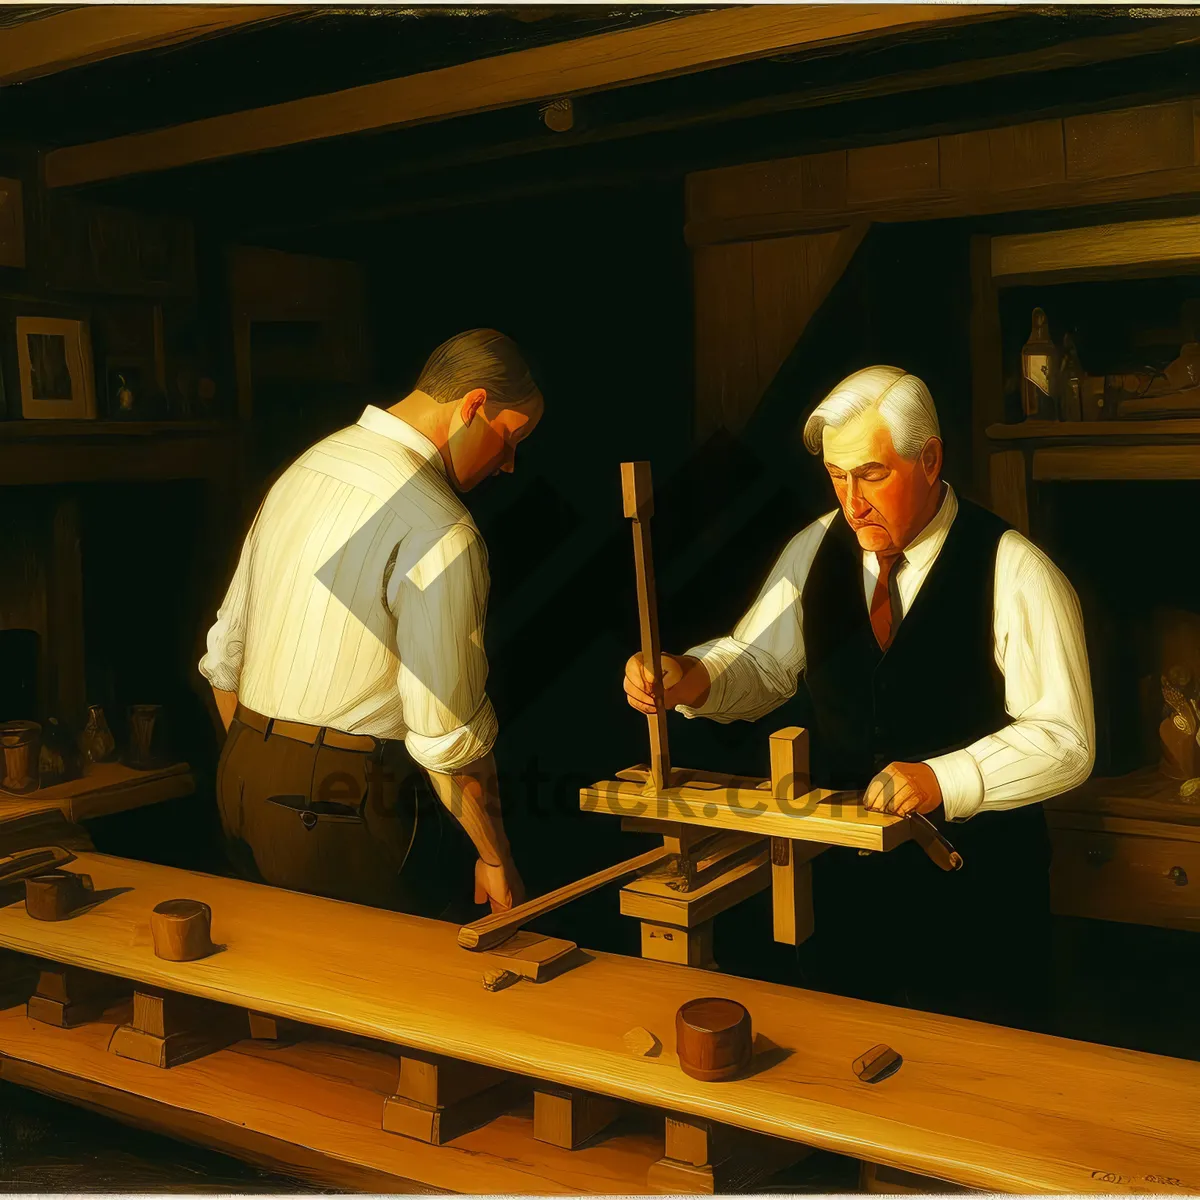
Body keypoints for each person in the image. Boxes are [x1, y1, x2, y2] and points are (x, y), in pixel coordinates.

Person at [624, 366, 1094, 1025]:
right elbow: (758, 661)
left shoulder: (1014, 568)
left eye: (871, 474)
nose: (852, 502)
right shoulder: (814, 550)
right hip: (844, 896)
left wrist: (943, 777)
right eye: (838, 477)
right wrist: (690, 677)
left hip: (976, 905)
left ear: (929, 460)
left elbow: (1065, 737)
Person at [199, 329, 541, 916]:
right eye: (510, 439)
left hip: (239, 779)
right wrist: (494, 856)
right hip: (340, 809)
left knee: (273, 992)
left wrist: (254, 757)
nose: (509, 464)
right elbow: (444, 738)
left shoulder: (307, 468)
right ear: (474, 406)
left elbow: (222, 658)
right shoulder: (441, 527)